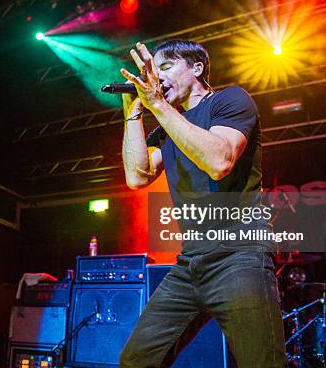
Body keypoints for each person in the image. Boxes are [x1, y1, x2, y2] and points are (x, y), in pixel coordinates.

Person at [119, 40, 285, 367]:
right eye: (153, 70)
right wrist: (133, 115)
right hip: (190, 263)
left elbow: (219, 160)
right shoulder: (168, 126)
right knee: (136, 361)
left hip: (240, 255)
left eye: (165, 67)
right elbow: (137, 177)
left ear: (196, 69)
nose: (156, 76)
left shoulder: (230, 99)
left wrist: (158, 106)